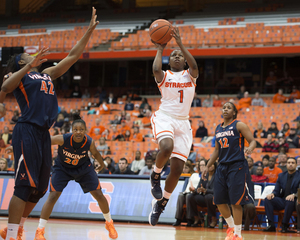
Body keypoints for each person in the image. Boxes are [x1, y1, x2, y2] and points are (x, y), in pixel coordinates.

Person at [0, 7, 99, 240]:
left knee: (39, 189)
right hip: (27, 130)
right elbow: (4, 89)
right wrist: (26, 65)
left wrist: (88, 31)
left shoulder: (46, 73)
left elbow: (72, 57)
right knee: (24, 186)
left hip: (43, 134)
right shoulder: (19, 76)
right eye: (25, 57)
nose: (30, 56)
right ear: (20, 62)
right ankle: (12, 234)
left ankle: (18, 227)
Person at [148, 26, 198, 227]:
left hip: (184, 122)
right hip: (166, 117)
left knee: (177, 169)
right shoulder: (165, 76)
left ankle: (161, 204)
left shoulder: (190, 75)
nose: (177, 56)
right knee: (166, 147)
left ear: (184, 60)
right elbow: (155, 69)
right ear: (169, 61)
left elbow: (195, 65)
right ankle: (155, 175)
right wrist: (160, 49)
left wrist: (180, 44)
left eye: (180, 55)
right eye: (174, 55)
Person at [38, 119, 117, 239]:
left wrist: (101, 164)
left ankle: (109, 223)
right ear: (72, 130)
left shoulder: (89, 142)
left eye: (81, 129)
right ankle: (39, 230)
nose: (78, 132)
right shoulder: (62, 139)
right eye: (76, 129)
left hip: (83, 168)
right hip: (62, 168)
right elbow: (44, 141)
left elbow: (95, 153)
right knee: (53, 196)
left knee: (99, 194)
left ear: (85, 131)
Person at [203, 102, 256, 240]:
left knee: (235, 202)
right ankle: (231, 227)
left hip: (237, 166)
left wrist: (250, 148)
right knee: (219, 200)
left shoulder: (239, 125)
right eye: (224, 107)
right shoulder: (218, 128)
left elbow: (252, 141)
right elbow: (216, 150)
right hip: (221, 166)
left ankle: (238, 234)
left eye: (229, 108)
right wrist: (208, 165)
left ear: (234, 112)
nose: (225, 109)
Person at [263, 157, 300, 233]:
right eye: (289, 163)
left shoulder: (299, 175)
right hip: (282, 200)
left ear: (296, 164)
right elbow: (277, 189)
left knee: (289, 201)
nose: (290, 164)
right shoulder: (281, 175)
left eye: (292, 163)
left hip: (294, 201)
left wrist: (294, 195)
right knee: (268, 199)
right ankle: (271, 225)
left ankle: (284, 225)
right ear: (286, 164)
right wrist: (272, 194)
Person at [173, 160, 204, 226]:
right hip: (189, 191)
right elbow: (189, 184)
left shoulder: (205, 176)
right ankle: (178, 219)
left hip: (197, 193)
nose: (201, 167)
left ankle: (190, 219)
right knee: (181, 195)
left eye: (203, 165)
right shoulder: (194, 174)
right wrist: (186, 191)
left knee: (188, 196)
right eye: (200, 166)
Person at [187, 161, 217, 228]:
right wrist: (195, 190)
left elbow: (216, 190)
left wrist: (206, 190)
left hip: (213, 197)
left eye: (212, 164)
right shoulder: (204, 174)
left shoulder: (217, 176)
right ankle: (196, 219)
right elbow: (198, 187)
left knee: (209, 197)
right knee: (190, 197)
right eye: (209, 164)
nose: (211, 166)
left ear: (215, 166)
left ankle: (213, 219)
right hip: (204, 197)